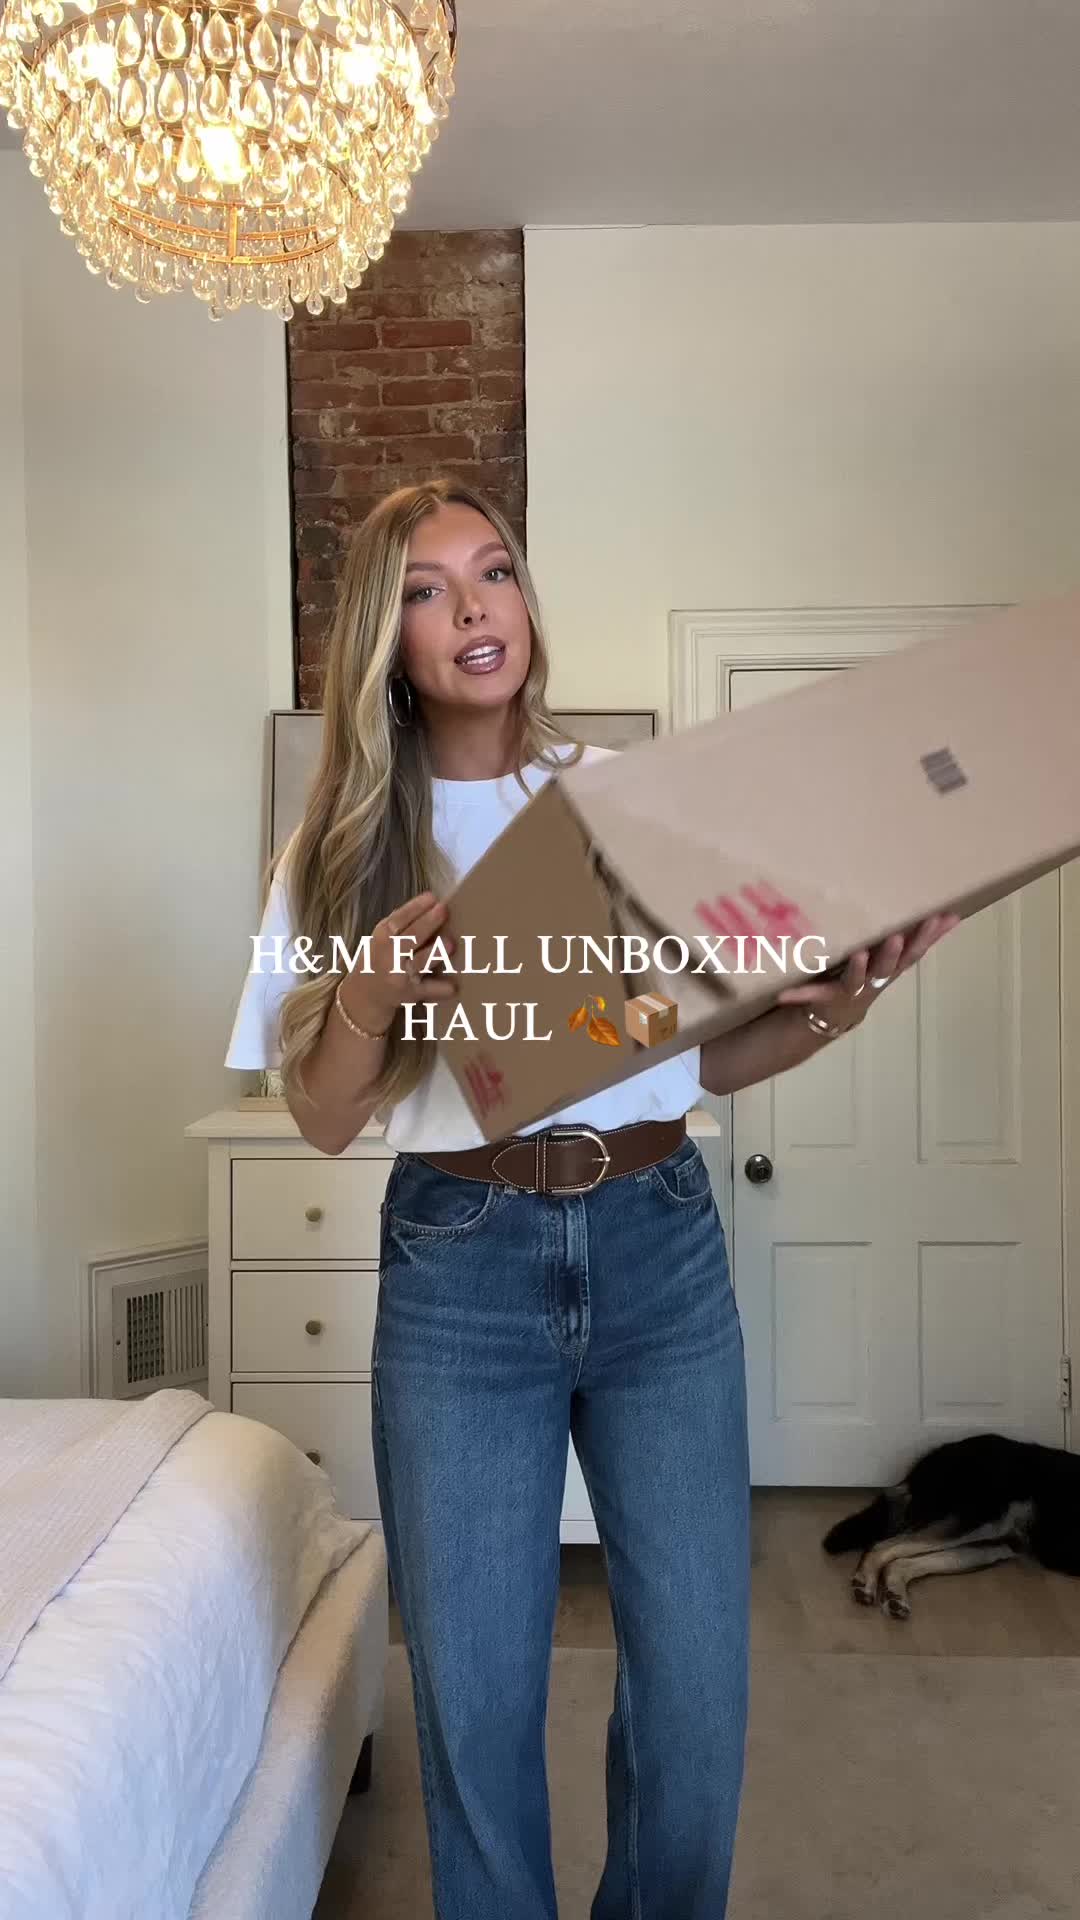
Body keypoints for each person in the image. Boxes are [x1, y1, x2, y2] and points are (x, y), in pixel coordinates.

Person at [224, 475, 959, 1919]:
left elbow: (699, 1053)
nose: (474, 607)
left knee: (695, 1684)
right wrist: (369, 996)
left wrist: (838, 1006)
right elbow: (319, 1117)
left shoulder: (631, 803)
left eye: (493, 571)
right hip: (460, 1266)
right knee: (475, 1691)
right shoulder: (338, 848)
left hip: (656, 1241)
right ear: (384, 637)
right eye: (427, 590)